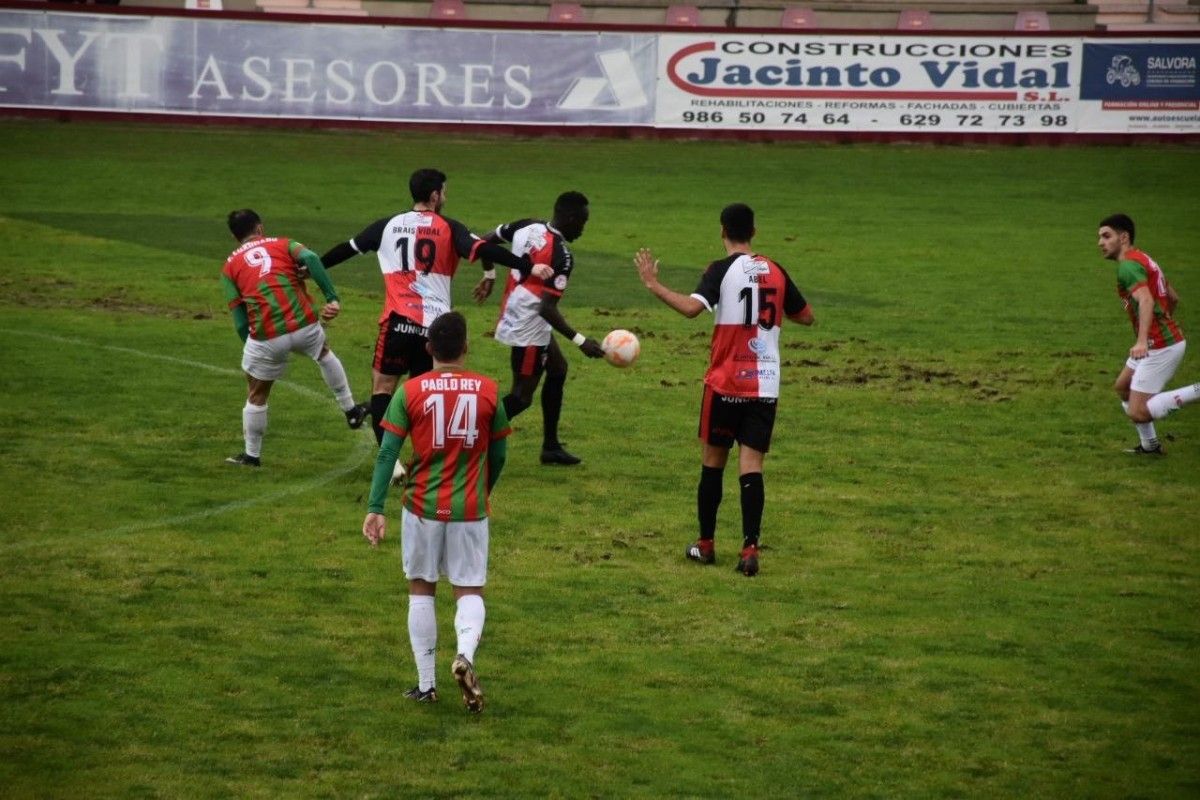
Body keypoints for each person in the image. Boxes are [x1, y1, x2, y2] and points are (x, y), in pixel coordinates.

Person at [634, 203, 814, 577]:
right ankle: (749, 549)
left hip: (725, 382)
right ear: (754, 231)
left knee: (713, 463)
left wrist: (653, 284)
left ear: (722, 232)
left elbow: (690, 309)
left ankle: (705, 544)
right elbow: (806, 316)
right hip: (764, 383)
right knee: (752, 467)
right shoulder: (776, 270)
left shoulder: (720, 270)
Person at [321, 168, 538, 448]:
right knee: (426, 393)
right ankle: (427, 455)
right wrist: (527, 266)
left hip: (397, 321)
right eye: (444, 192)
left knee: (383, 388)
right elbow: (484, 249)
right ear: (435, 195)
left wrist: (312, 267)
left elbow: (345, 249)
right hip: (433, 328)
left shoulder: (386, 225)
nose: (445, 197)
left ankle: (391, 464)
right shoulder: (449, 227)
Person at [362, 311, 511, 714]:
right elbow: (498, 454)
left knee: (422, 586)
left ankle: (426, 685)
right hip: (469, 509)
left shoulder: (409, 392)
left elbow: (387, 453)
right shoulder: (489, 391)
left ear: (428, 349)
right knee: (469, 589)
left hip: (422, 508)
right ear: (466, 348)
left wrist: (376, 507)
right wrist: (483, 489)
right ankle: (464, 655)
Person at [220, 209, 368, 467]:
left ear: (235, 237)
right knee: (324, 353)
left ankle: (252, 456)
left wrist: (253, 345)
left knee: (257, 393)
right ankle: (351, 411)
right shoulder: (284, 243)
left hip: (267, 335)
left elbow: (240, 319)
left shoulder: (229, 267)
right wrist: (331, 297)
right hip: (304, 324)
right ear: (260, 227)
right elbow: (310, 257)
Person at [479, 191, 605, 465]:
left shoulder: (528, 225)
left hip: (516, 311)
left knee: (558, 369)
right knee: (521, 397)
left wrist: (489, 273)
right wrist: (581, 340)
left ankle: (550, 447)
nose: (582, 230)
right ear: (570, 219)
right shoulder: (562, 255)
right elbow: (546, 308)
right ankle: (471, 438)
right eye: (582, 223)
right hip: (528, 326)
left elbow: (486, 241)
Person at [1098, 214, 1198, 454]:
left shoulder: (1128, 267)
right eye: (1099, 237)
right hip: (1161, 339)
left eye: (1106, 236)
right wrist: (1161, 323)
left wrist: (1145, 339)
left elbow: (1145, 298)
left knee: (1138, 411)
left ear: (1124, 237)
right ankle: (1150, 446)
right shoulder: (1143, 259)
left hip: (1159, 345)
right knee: (1123, 387)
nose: (1100, 243)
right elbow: (1172, 298)